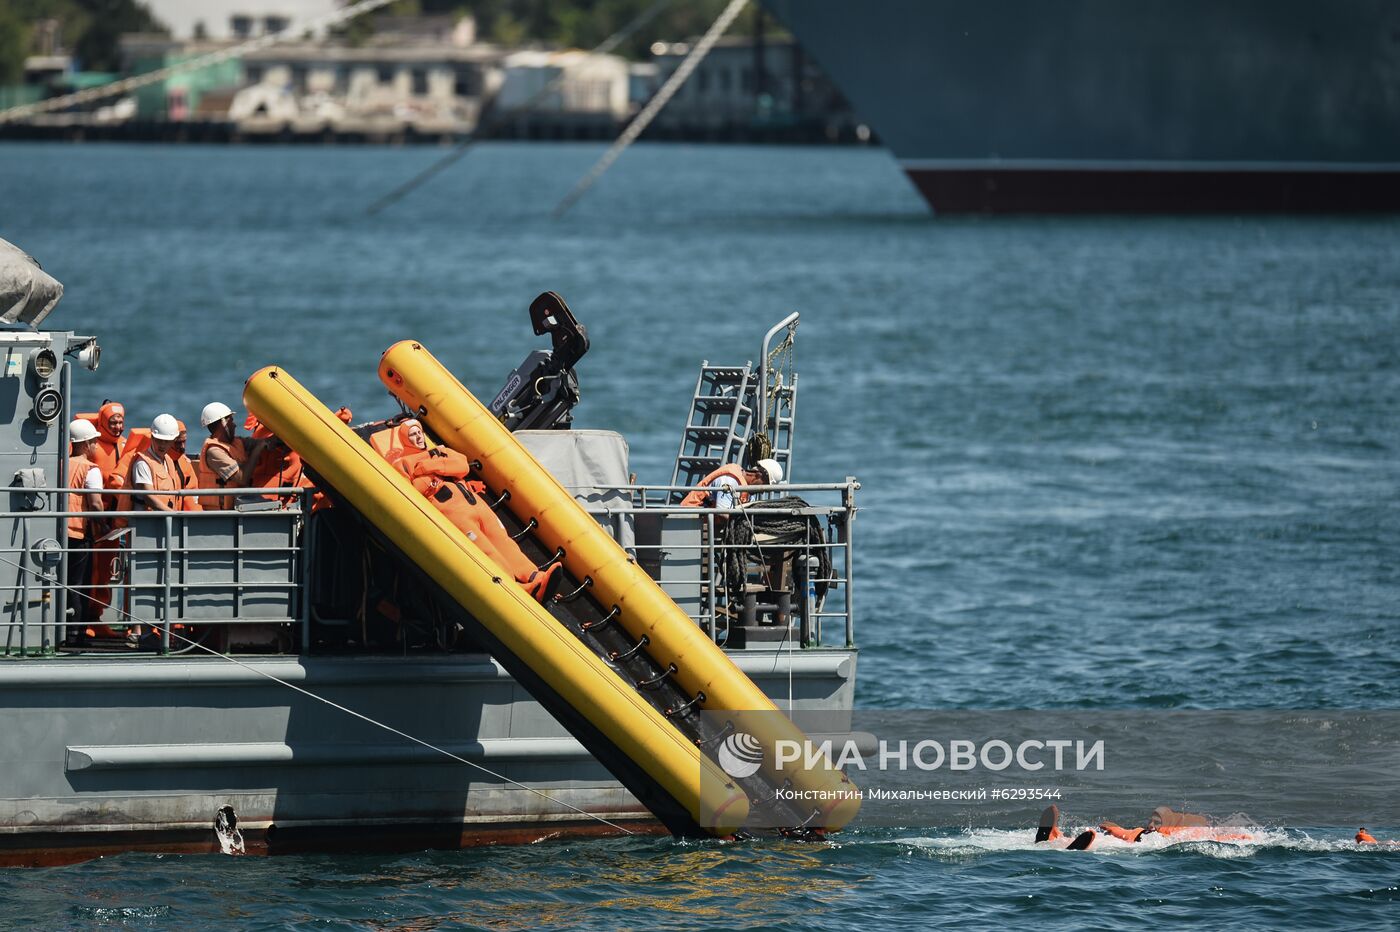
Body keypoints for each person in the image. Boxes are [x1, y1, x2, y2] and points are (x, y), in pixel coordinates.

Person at [386, 420, 559, 601]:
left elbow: (462, 466)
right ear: (405, 440)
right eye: (412, 435)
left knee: (504, 541)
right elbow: (412, 490)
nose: (418, 437)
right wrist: (433, 477)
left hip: (475, 504)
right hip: (455, 514)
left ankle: (535, 577)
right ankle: (519, 589)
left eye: (419, 432)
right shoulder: (404, 464)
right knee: (487, 551)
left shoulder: (439, 451)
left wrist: (431, 467)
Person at [65, 419, 106, 625]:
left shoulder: (61, 464)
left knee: (64, 581)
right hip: (80, 533)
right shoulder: (91, 470)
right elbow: (96, 504)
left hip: (59, 532)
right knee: (80, 584)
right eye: (93, 441)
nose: (95, 445)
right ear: (84, 443)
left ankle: (61, 629)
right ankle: (77, 633)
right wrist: (105, 525)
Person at [196, 402, 262, 508]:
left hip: (238, 509)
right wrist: (258, 450)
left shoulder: (236, 442)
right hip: (220, 515)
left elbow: (256, 442)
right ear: (223, 423)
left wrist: (270, 441)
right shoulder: (214, 452)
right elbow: (242, 478)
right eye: (231, 420)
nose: (234, 425)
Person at [679, 458, 784, 509]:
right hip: (690, 521)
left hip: (707, 525)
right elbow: (723, 512)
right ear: (758, 475)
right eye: (765, 486)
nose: (762, 492)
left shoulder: (747, 490)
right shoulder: (729, 480)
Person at [128, 414, 182, 512]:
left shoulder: (168, 461)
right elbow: (149, 498)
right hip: (146, 523)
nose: (162, 445)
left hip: (165, 521)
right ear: (152, 437)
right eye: (159, 440)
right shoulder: (142, 463)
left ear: (173, 440)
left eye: (166, 441)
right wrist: (173, 514)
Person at [169, 420, 202, 512]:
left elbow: (194, 492)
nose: (183, 446)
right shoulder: (158, 462)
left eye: (184, 441)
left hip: (190, 516)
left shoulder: (185, 462)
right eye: (178, 443)